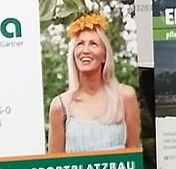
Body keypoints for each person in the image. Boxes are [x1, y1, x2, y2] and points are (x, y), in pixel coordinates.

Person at [47, 13, 140, 153]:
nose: (85, 51)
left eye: (93, 44)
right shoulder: (60, 106)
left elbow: (133, 157)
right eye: (80, 44)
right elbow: (55, 167)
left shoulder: (125, 96)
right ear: (73, 54)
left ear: (104, 55)